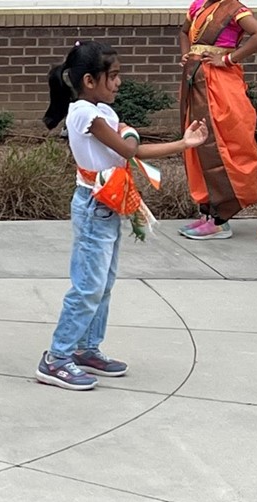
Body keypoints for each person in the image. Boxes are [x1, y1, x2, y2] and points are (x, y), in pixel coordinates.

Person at [37, 42, 206, 391]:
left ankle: (86, 348)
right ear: (88, 80)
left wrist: (184, 144)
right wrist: (129, 134)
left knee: (104, 284)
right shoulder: (84, 112)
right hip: (92, 203)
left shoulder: (103, 112)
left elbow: (133, 149)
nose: (119, 83)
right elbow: (128, 147)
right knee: (88, 287)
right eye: (112, 76)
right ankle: (57, 358)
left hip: (109, 202)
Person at [176, 0, 257, 240]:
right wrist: (186, 54)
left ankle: (220, 217)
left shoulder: (235, 9)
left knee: (222, 142)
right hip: (196, 80)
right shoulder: (198, 5)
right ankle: (206, 212)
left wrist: (228, 59)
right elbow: (184, 32)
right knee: (198, 144)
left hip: (220, 83)